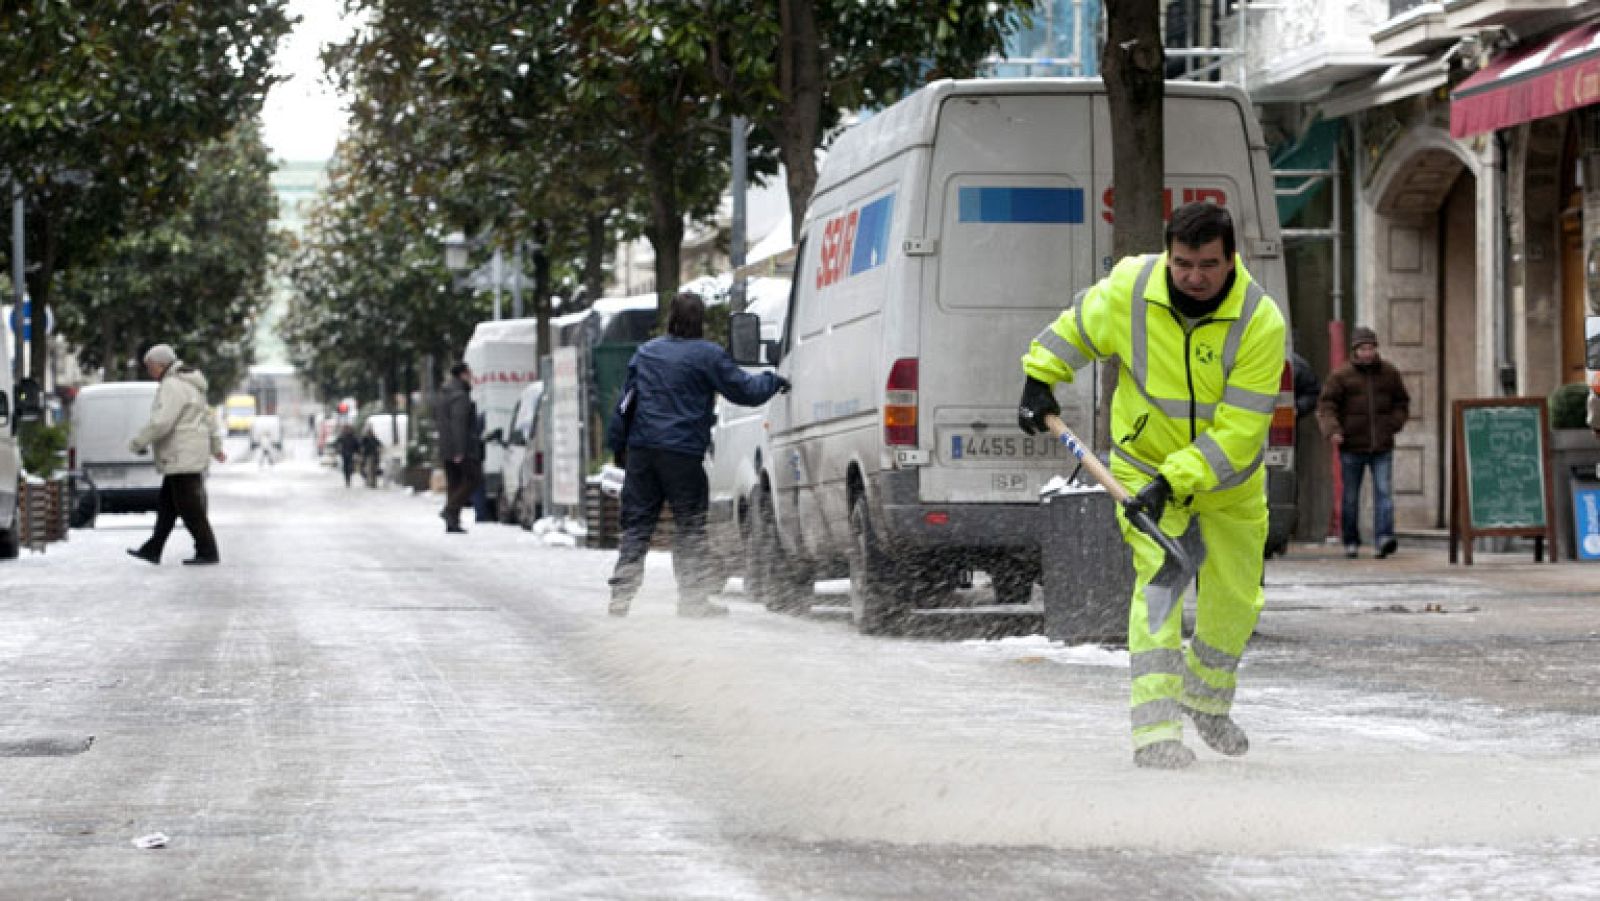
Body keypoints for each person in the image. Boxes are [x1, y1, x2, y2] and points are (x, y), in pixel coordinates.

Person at [1017, 202, 1285, 770]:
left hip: (1229, 481)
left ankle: (1207, 702)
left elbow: (1240, 432)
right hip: (1141, 466)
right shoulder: (1133, 288)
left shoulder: (1260, 322)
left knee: (1235, 600)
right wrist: (1040, 376)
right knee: (1161, 584)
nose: (1193, 276)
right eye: (1183, 263)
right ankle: (1156, 733)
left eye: (1207, 264)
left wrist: (1178, 478)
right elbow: (1078, 326)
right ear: (1168, 254)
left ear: (1231, 259)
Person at [606, 292, 790, 618]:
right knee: (689, 527)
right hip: (682, 454)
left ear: (671, 318)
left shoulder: (646, 354)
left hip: (643, 452)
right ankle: (692, 600)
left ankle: (621, 595)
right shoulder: (708, 355)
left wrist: (618, 446)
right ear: (700, 320)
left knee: (637, 526)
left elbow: (626, 404)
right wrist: (774, 381)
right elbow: (744, 391)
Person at [126, 344, 227, 566]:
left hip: (181, 455)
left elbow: (162, 422)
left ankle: (208, 551)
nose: (149, 371)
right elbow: (208, 418)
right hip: (185, 454)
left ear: (161, 364)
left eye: (150, 366)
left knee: (190, 509)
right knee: (167, 507)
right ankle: (153, 548)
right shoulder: (190, 384)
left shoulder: (172, 385)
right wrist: (215, 447)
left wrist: (138, 442)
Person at [1316, 325, 1410, 560]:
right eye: (1363, 349)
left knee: (1384, 492)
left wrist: (1393, 424)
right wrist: (1333, 430)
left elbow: (1401, 402)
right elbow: (1327, 405)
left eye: (1370, 348)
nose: (1367, 353)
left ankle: (1384, 538)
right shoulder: (1341, 376)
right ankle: (1351, 540)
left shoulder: (1389, 373)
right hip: (1351, 445)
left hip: (1382, 445)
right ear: (1355, 350)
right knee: (1350, 496)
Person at [437, 361, 480, 533]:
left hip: (446, 446)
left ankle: (452, 521)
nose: (471, 377)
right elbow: (459, 424)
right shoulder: (460, 396)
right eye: (469, 373)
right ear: (463, 374)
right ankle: (450, 510)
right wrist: (460, 450)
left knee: (454, 483)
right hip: (460, 447)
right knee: (474, 478)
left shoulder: (445, 393)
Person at [360, 424, 382, 488]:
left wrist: (379, 449)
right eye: (369, 432)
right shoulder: (364, 439)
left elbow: (380, 444)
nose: (370, 433)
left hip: (375, 456)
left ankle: (373, 482)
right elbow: (361, 447)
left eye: (370, 432)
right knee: (369, 469)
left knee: (374, 470)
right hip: (368, 456)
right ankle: (370, 482)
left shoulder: (374, 439)